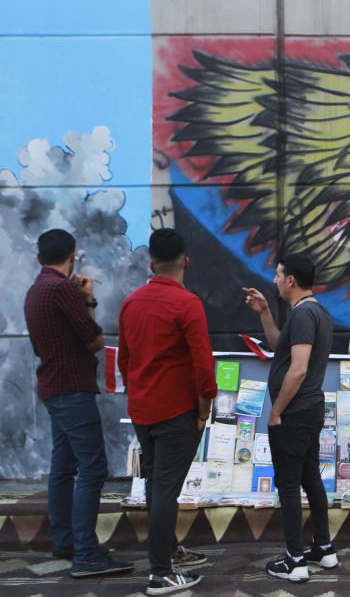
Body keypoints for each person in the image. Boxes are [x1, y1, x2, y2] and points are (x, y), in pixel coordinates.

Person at [24, 229, 133, 579]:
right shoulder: (62, 290)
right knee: (92, 468)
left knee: (63, 466)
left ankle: (66, 541)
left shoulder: (36, 290)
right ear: (72, 256)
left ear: (40, 258)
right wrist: (87, 299)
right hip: (73, 390)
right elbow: (95, 340)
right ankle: (86, 553)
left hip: (53, 387)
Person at [118, 228, 217, 595]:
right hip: (178, 413)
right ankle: (160, 573)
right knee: (164, 491)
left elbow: (125, 361)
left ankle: (170, 551)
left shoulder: (131, 302)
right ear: (186, 262)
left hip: (144, 411)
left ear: (150, 264)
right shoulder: (187, 304)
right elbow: (204, 368)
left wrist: (139, 396)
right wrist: (204, 411)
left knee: (157, 486)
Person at [243, 254, 339, 582]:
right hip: (309, 410)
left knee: (287, 484)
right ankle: (324, 549)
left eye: (278, 274)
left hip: (295, 414)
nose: (274, 280)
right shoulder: (315, 312)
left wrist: (276, 411)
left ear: (291, 280)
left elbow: (297, 369)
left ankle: (295, 560)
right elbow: (280, 350)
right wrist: (266, 313)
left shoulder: (304, 314)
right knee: (310, 477)